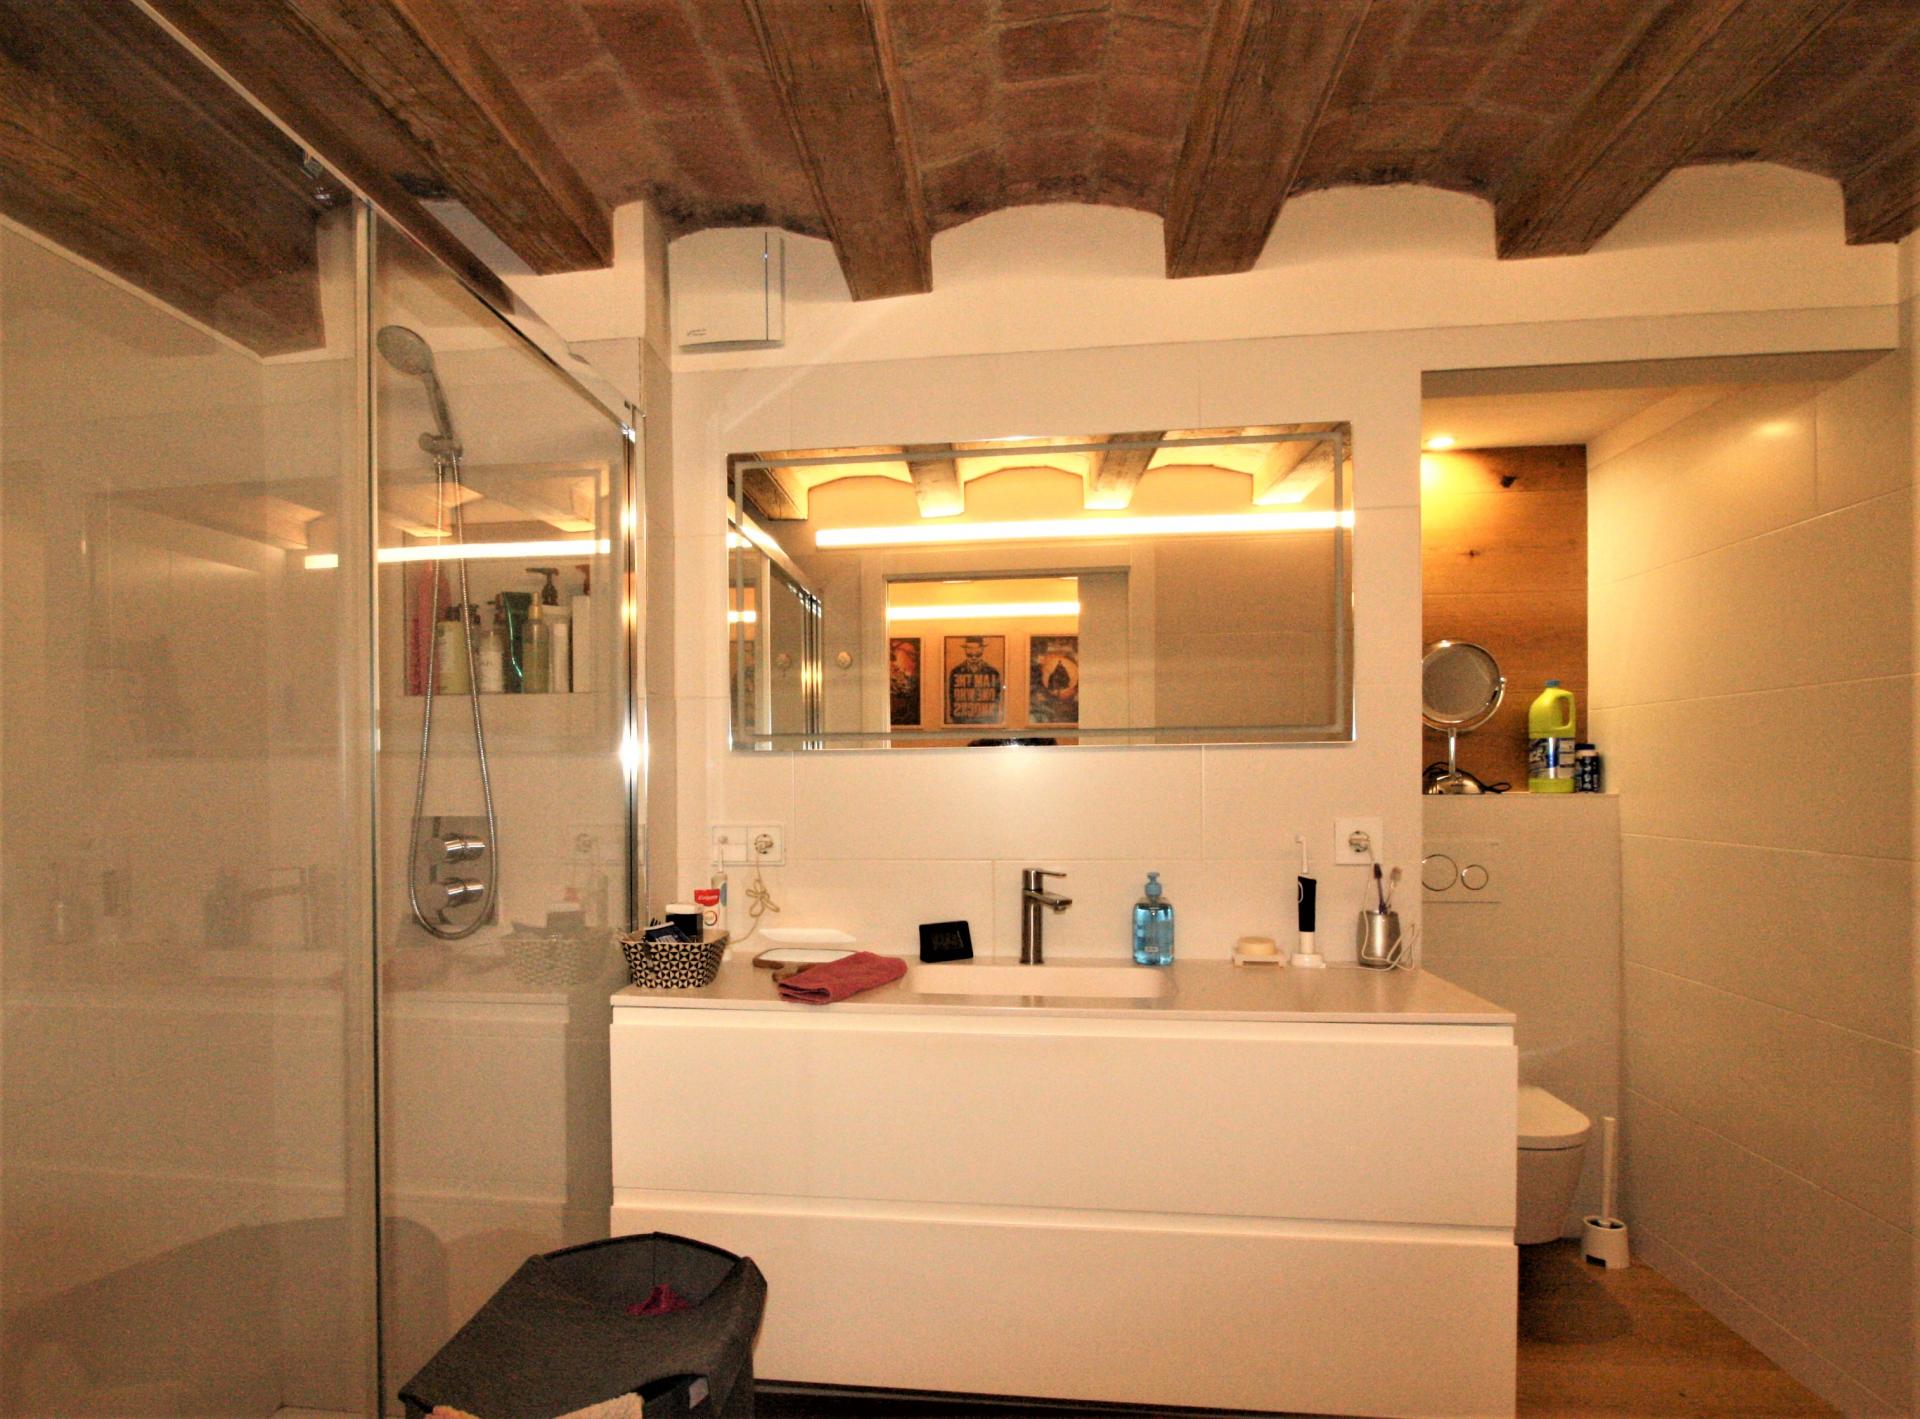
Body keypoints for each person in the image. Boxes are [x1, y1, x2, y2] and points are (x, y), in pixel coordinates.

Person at [947, 635, 1002, 725]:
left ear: (982, 650)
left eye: (977, 654)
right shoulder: (955, 672)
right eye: (970, 654)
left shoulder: (993, 672)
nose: (973, 657)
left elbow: (996, 702)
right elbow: (952, 700)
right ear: (965, 650)